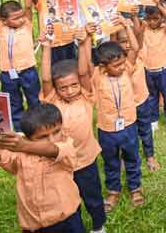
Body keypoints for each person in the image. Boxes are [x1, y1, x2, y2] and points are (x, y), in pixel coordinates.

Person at [40, 30, 107, 233]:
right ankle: (76, 224)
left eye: (73, 85)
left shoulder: (86, 96)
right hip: (62, 164)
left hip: (86, 160)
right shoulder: (52, 100)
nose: (69, 91)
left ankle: (98, 225)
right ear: (56, 89)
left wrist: (84, 42)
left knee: (93, 196)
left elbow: (85, 72)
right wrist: (46, 48)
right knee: (69, 201)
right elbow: (45, 79)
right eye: (63, 88)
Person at [0, 103, 85, 233]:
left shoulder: (66, 146)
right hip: (32, 224)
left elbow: (54, 150)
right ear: (28, 138)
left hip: (66, 220)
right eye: (43, 136)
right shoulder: (20, 156)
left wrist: (23, 146)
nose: (52, 139)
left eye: (56, 132)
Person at [90, 39, 144, 212]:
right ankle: (113, 190)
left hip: (128, 125)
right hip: (107, 129)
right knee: (110, 161)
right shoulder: (97, 77)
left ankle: (135, 187)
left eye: (122, 63)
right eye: (116, 65)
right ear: (103, 67)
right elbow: (83, 70)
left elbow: (135, 48)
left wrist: (125, 25)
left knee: (132, 157)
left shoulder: (126, 70)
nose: (121, 67)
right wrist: (84, 42)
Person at [0, 0, 40, 132]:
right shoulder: (1, 28)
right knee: (14, 102)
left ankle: (37, 124)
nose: (21, 20)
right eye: (16, 18)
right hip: (8, 73)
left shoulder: (27, 26)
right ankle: (19, 128)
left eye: (21, 16)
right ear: (4, 21)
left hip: (28, 71)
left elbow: (27, 7)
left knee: (34, 99)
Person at [112, 24, 160, 172]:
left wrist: (130, 20)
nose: (126, 45)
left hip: (141, 102)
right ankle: (123, 157)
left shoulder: (139, 54)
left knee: (145, 129)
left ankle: (150, 156)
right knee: (123, 134)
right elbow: (112, 41)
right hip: (123, 107)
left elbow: (138, 39)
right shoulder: (112, 63)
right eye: (122, 41)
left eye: (129, 40)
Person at [134, 2, 166, 138]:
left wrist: (159, 5)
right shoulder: (144, 30)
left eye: (155, 19)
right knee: (152, 97)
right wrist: (135, 15)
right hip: (148, 71)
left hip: (163, 70)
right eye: (149, 19)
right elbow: (136, 33)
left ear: (161, 18)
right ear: (146, 18)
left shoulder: (165, 30)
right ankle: (154, 120)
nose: (152, 22)